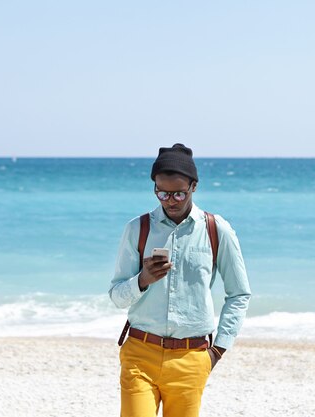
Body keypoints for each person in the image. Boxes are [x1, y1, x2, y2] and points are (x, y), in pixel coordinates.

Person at [109, 143, 252, 417]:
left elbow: (239, 294)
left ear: (194, 186)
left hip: (191, 358)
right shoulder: (137, 229)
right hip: (140, 354)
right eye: (161, 193)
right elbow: (116, 295)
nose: (169, 201)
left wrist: (218, 350)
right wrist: (143, 279)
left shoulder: (215, 229)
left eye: (178, 193)